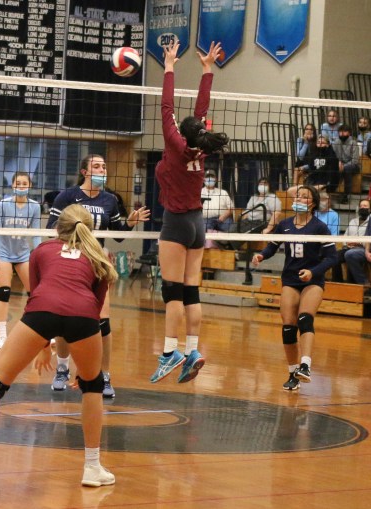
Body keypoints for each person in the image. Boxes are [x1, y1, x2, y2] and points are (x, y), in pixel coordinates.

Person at [0, 205, 118, 488]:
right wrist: (85, 366)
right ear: (90, 229)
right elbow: (92, 311)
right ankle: (92, 467)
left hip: (41, 313)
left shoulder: (42, 251)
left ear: (57, 228)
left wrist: (43, 345)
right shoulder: (99, 256)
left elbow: (38, 295)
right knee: (92, 386)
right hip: (84, 317)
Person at [150, 40, 229, 384]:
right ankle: (193, 349)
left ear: (179, 133)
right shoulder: (201, 147)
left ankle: (170, 352)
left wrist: (169, 66)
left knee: (172, 292)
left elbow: (166, 106)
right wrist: (207, 70)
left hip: (177, 222)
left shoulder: (175, 144)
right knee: (191, 291)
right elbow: (200, 111)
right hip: (198, 223)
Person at [46, 154, 150, 398]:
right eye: (96, 166)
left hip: (97, 263)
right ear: (85, 172)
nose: (102, 170)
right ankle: (62, 368)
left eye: (104, 166)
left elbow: (118, 236)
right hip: (71, 261)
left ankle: (104, 375)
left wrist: (130, 223)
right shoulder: (67, 196)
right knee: (64, 319)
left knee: (103, 323)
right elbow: (51, 229)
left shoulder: (110, 200)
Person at [252, 185, 338, 391]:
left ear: (313, 203)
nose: (298, 198)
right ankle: (293, 373)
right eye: (297, 195)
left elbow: (332, 257)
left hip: (312, 280)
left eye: (304, 196)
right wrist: (262, 255)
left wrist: (313, 272)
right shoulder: (284, 225)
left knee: (305, 319)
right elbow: (272, 246)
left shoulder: (319, 227)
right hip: (290, 280)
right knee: (288, 327)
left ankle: (305, 365)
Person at [0, 171, 42, 350]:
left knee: (35, 294)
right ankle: (2, 335)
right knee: (4, 292)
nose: (21, 186)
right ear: (12, 185)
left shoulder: (34, 206)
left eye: (24, 184)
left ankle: (39, 331)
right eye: (18, 183)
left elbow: (36, 234)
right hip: (4, 253)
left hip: (23, 254)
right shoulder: (3, 204)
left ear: (30, 186)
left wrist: (39, 256)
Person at [333, 199, 370, 283]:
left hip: (363, 248)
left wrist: (359, 243)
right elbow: (346, 235)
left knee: (350, 254)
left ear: (369, 209)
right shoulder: (353, 221)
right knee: (335, 256)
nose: (362, 208)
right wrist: (346, 243)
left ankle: (362, 283)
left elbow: (368, 238)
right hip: (349, 247)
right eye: (361, 206)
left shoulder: (370, 221)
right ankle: (338, 282)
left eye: (365, 206)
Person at [332, 124, 360, 204]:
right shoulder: (336, 142)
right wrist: (338, 163)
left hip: (353, 166)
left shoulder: (353, 143)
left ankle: (346, 195)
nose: (342, 134)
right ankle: (332, 191)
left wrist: (343, 166)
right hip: (339, 164)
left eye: (344, 131)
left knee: (346, 169)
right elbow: (333, 156)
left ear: (349, 133)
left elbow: (355, 160)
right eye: (340, 132)